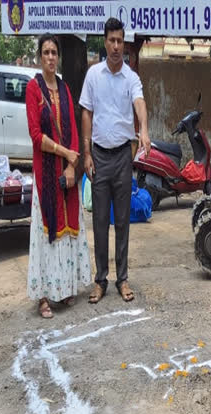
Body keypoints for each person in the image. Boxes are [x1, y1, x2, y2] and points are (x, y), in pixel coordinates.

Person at [80, 17, 151, 304]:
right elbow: (86, 112)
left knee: (122, 220)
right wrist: (86, 152)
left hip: (123, 156)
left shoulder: (131, 78)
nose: (116, 46)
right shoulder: (93, 75)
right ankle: (101, 281)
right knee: (99, 221)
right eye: (111, 40)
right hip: (98, 156)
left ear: (125, 44)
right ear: (105, 42)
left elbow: (140, 103)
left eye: (120, 41)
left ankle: (122, 279)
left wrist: (143, 128)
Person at [25, 33, 93, 319]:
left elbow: (75, 131)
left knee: (68, 233)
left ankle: (65, 288)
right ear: (40, 56)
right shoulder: (33, 89)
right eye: (46, 52)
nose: (51, 57)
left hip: (65, 174)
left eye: (54, 52)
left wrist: (70, 165)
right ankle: (43, 296)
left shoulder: (64, 89)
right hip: (45, 175)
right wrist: (65, 153)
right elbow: (36, 136)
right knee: (46, 234)